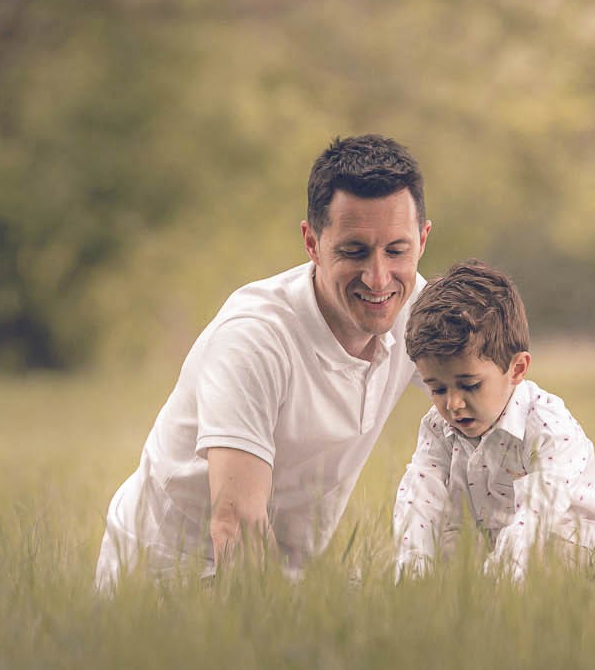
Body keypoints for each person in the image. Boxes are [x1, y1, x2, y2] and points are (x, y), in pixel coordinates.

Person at [95, 135, 430, 586]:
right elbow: (235, 527)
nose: (378, 277)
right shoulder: (253, 340)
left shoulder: (413, 307)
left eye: (396, 250)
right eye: (354, 251)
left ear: (422, 240)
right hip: (168, 576)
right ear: (311, 243)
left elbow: (505, 399)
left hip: (288, 574)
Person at [392, 261, 595, 582]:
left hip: (561, 534)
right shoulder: (439, 427)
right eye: (437, 388)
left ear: (517, 369)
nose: (452, 404)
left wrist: (501, 580)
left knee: (561, 559)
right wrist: (413, 573)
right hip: (490, 541)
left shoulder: (546, 426)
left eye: (470, 385)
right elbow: (420, 497)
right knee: (446, 549)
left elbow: (538, 513)